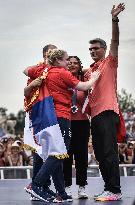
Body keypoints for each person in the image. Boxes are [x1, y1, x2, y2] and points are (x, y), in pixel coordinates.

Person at [25, 48, 100, 202]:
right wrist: (94, 77)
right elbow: (84, 87)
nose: (68, 63)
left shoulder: (44, 70)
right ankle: (36, 184)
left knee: (57, 153)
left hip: (48, 117)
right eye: (66, 60)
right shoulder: (62, 72)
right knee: (59, 152)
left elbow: (25, 70)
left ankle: (59, 192)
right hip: (61, 116)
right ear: (59, 60)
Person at [84, 3, 125, 202]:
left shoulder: (110, 62)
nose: (92, 51)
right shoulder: (88, 71)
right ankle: (108, 188)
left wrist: (114, 19)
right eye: (90, 49)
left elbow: (115, 39)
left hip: (108, 112)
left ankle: (115, 190)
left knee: (109, 152)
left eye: (95, 48)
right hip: (95, 116)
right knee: (100, 153)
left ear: (104, 49)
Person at [23, 44, 57, 201]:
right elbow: (26, 90)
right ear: (44, 55)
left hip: (51, 115)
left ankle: (43, 186)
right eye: (51, 52)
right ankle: (35, 187)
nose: (54, 55)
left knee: (49, 152)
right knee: (39, 152)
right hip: (37, 115)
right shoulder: (38, 69)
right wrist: (32, 84)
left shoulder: (55, 71)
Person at [63, 56, 90, 198]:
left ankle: (81, 187)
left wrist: (80, 71)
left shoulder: (84, 80)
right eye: (70, 63)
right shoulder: (62, 80)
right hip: (66, 122)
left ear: (80, 65)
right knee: (66, 155)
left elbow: (92, 69)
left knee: (81, 156)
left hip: (82, 122)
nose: (72, 65)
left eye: (76, 63)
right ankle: (66, 187)